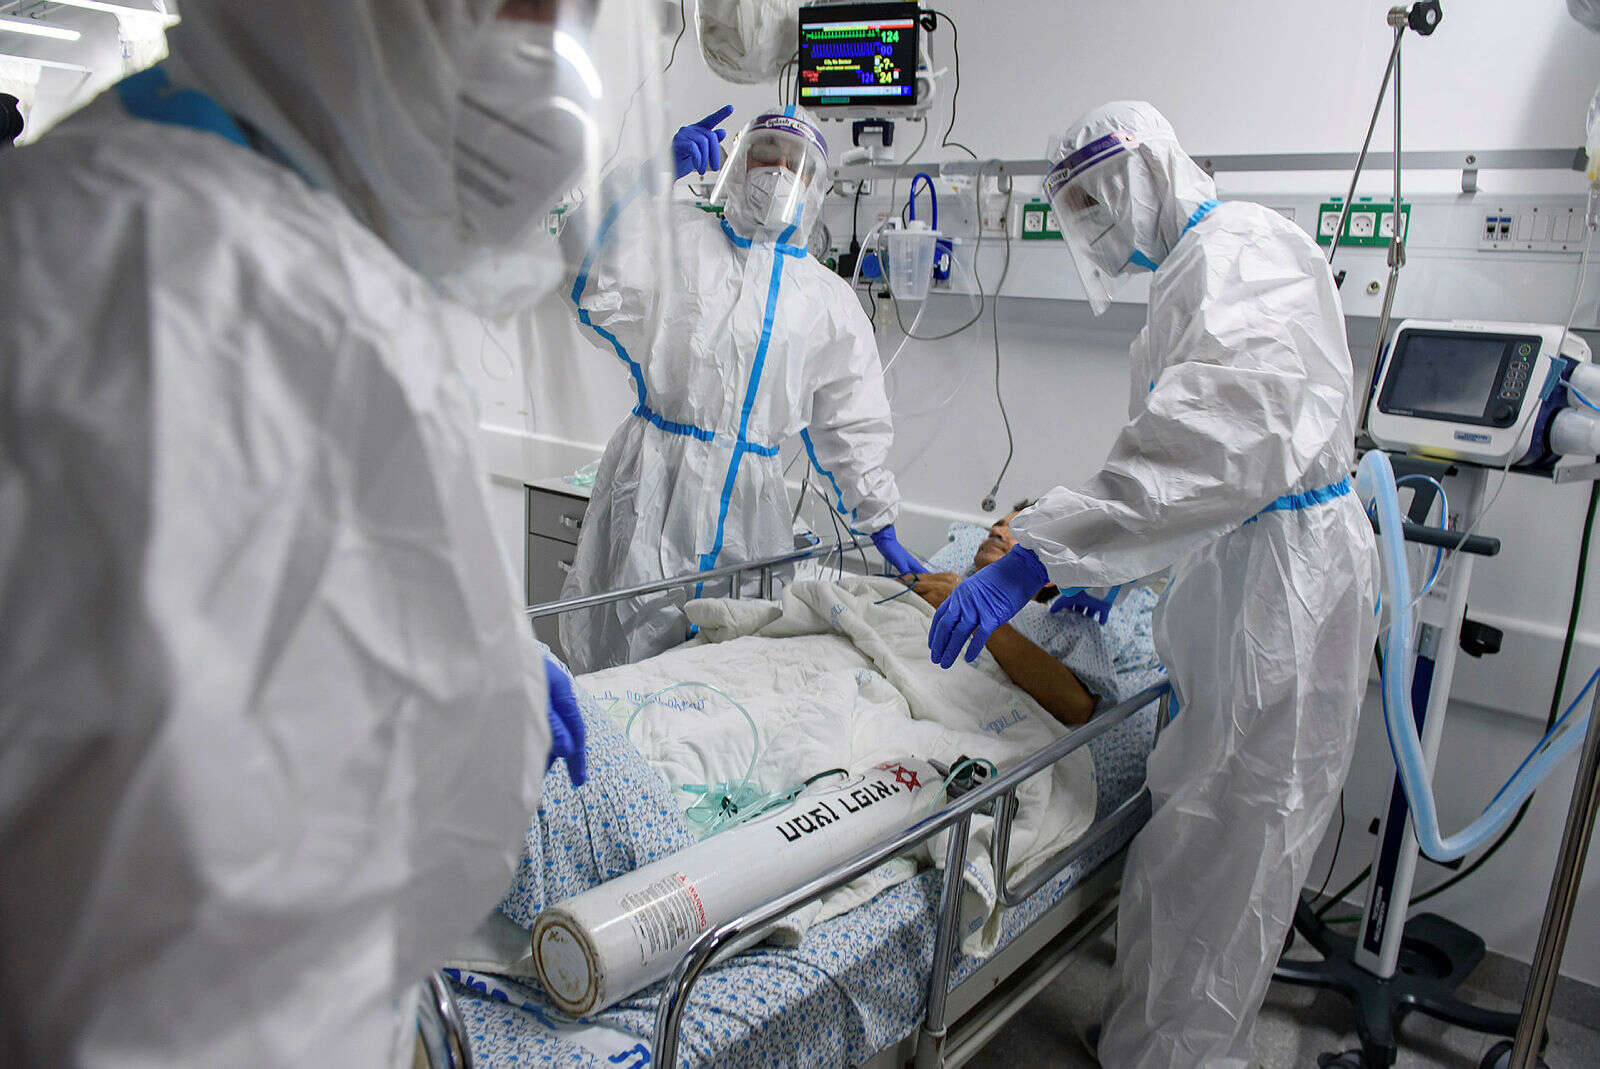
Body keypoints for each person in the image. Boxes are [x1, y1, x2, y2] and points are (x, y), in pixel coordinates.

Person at [0, 0, 648, 1061]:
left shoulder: (261, 249)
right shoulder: (184, 283)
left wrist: (493, 661)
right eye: (526, 6)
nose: (547, 52)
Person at [927, 101, 1377, 1066]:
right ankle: (1148, 1036)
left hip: (1283, 587)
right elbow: (1201, 474)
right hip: (1247, 562)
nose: (1090, 224)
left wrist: (1041, 553)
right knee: (1195, 832)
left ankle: (1176, 1056)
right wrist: (1113, 562)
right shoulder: (1198, 268)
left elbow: (1210, 452)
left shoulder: (1238, 254)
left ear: (1147, 170)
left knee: (1233, 849)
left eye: (1096, 198)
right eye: (1074, 209)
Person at [558, 106, 919, 673]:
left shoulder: (828, 301)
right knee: (627, 662)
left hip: (751, 509)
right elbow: (578, 266)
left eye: (795, 164)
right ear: (738, 162)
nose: (778, 172)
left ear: (815, 185)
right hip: (653, 482)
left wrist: (882, 526)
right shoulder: (676, 239)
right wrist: (649, 175)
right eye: (766, 154)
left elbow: (851, 419)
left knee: (734, 661)